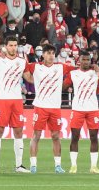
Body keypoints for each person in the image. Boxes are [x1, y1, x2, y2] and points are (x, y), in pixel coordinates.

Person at [0, 35, 29, 173]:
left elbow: (29, 78)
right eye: (11, 45)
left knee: (18, 131)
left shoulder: (22, 61)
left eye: (15, 45)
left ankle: (19, 165)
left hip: (17, 100)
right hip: (2, 100)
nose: (13, 48)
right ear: (6, 46)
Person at [24, 45, 71, 173]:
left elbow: (77, 70)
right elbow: (21, 68)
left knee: (56, 136)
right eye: (48, 53)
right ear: (43, 55)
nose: (51, 56)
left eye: (52, 53)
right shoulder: (35, 66)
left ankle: (58, 165)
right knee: (36, 135)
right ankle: (33, 165)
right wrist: (28, 78)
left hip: (55, 108)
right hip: (40, 107)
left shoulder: (61, 67)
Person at [66, 51, 99, 173]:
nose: (86, 62)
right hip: (77, 109)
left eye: (88, 60)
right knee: (75, 137)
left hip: (92, 109)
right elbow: (63, 86)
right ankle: (73, 165)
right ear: (79, 60)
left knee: (94, 137)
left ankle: (93, 166)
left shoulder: (96, 73)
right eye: (84, 59)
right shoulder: (73, 73)